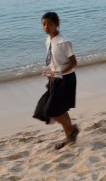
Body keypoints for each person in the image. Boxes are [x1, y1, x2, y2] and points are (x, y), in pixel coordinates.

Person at [33, 11, 80, 150]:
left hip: (66, 79)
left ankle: (72, 130)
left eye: (49, 24)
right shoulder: (48, 40)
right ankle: (70, 138)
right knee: (61, 110)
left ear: (56, 25)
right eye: (43, 24)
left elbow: (73, 63)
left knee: (52, 111)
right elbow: (52, 62)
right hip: (55, 78)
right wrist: (50, 78)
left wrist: (57, 73)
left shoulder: (63, 42)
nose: (46, 27)